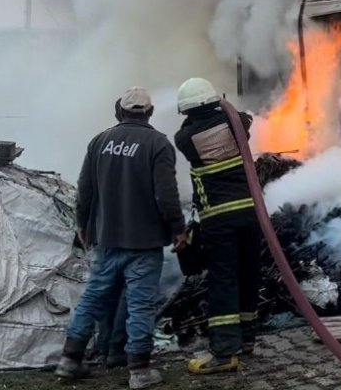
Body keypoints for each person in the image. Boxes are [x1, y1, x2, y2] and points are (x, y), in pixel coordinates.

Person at [55, 87, 187, 389]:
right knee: (140, 305)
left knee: (92, 298)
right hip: (145, 243)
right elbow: (166, 196)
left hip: (107, 239)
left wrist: (82, 225)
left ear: (120, 112)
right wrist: (178, 228)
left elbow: (85, 189)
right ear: (149, 113)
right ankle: (139, 371)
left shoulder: (99, 142)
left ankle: (69, 360)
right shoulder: (158, 144)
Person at [173, 77, 260, 375]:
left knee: (224, 280)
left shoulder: (184, 139)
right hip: (251, 214)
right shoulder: (237, 126)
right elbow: (246, 119)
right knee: (249, 274)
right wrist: (225, 106)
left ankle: (224, 353)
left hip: (219, 219)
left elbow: (190, 130)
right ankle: (247, 338)